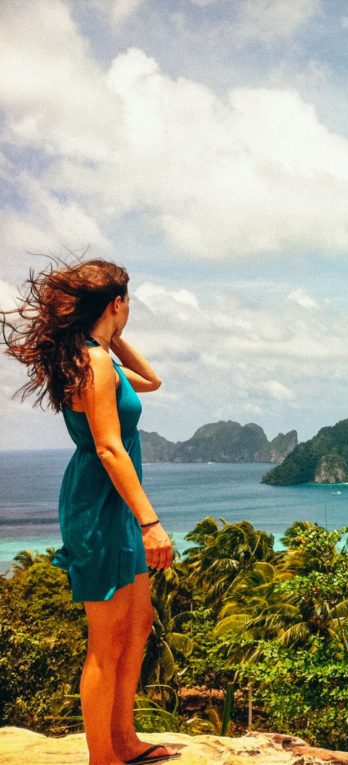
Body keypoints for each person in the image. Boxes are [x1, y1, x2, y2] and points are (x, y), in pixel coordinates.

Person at [1, 258, 180, 765]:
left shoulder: (98, 355)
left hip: (115, 502)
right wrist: (151, 523)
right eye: (125, 305)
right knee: (107, 640)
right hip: (101, 506)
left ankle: (124, 740)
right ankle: (103, 757)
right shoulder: (93, 362)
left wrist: (112, 333)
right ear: (117, 303)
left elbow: (153, 380)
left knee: (139, 623)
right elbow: (107, 447)